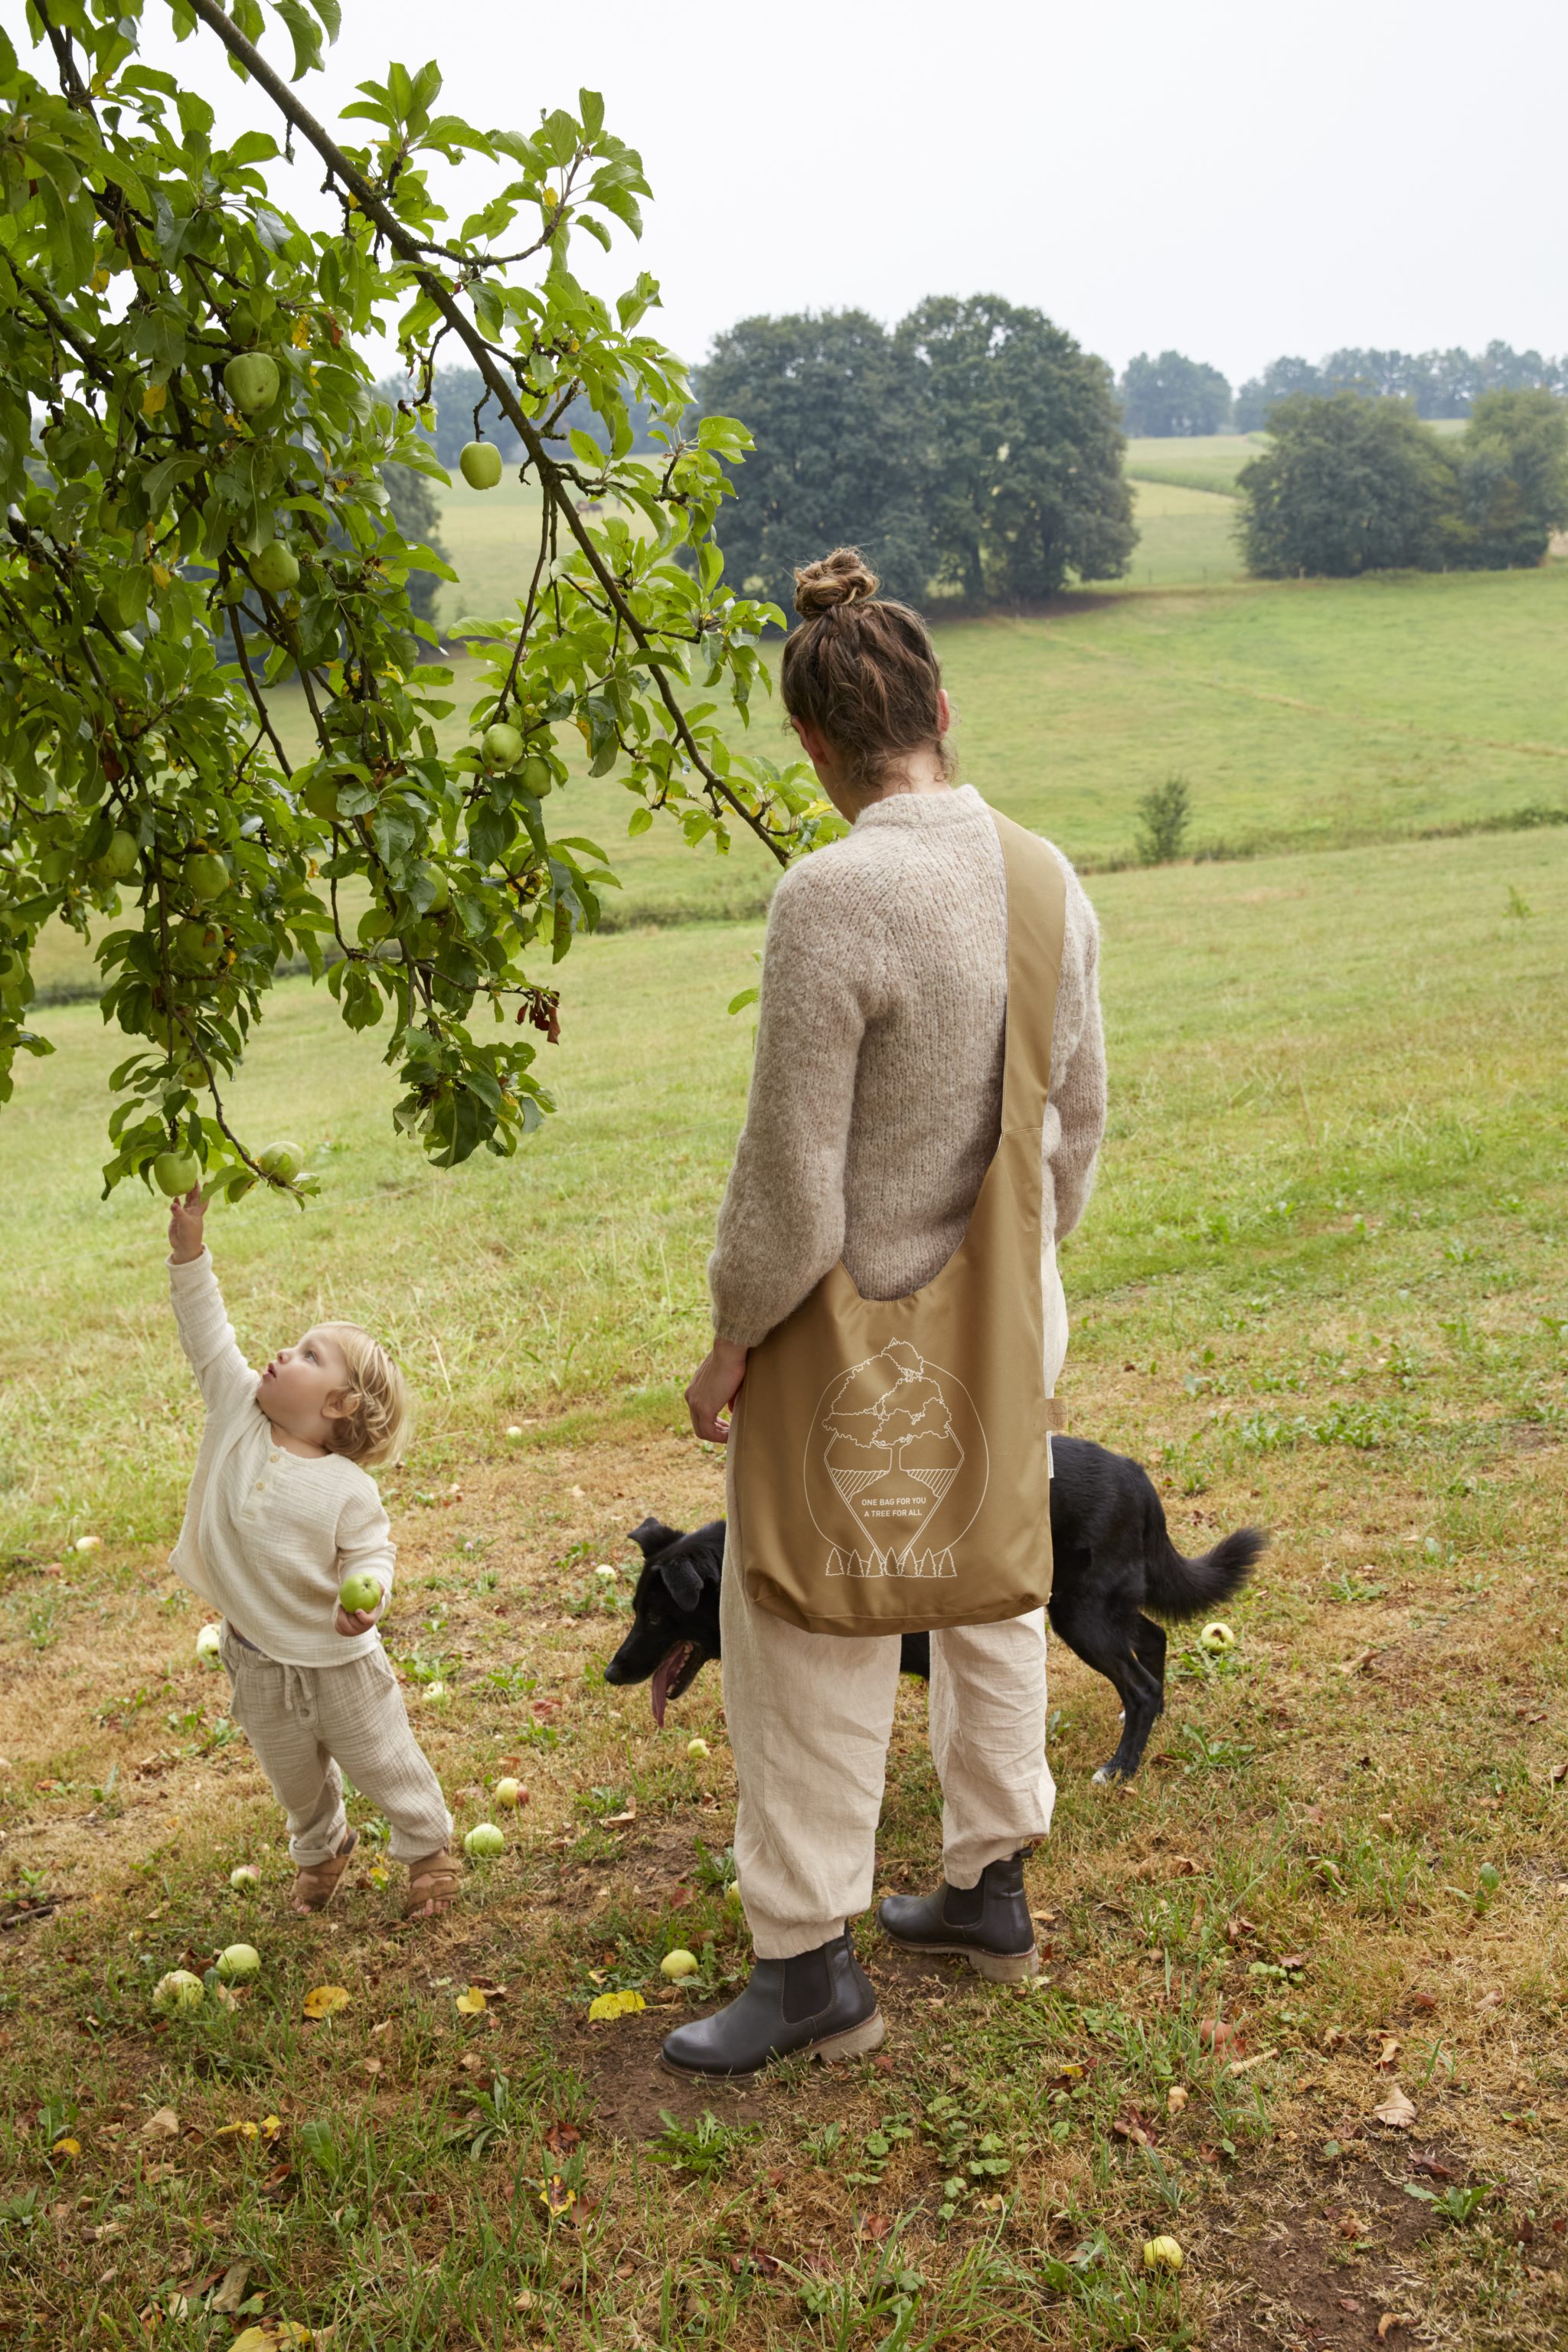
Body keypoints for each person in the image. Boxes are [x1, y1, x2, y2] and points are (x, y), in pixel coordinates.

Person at [669, 547, 1106, 2077]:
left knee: (802, 1615)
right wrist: (1020, 1282)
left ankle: (805, 1969)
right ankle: (992, 1882)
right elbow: (1074, 1126)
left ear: (814, 749)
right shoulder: (1053, 883)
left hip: (845, 1329)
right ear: (940, 703)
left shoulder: (831, 897)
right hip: (1012, 1305)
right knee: (990, 1582)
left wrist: (731, 1335)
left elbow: (791, 1178)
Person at [163, 1184, 457, 1919]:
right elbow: (207, 1333)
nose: (281, 1352)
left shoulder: (346, 1488)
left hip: (338, 1662)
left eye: (307, 1354)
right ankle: (320, 1849)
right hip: (256, 1651)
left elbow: (373, 1553)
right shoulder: (237, 1410)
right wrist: (188, 1252)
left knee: (382, 1760)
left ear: (338, 1406)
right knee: (291, 1773)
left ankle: (428, 1850)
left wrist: (367, 1593)